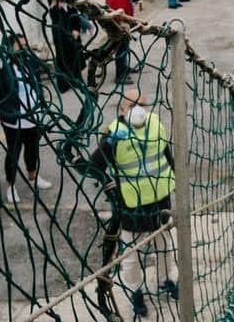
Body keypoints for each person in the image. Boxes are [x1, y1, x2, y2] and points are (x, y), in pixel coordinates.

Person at [89, 88, 178, 317]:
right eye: (133, 105)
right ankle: (136, 293)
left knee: (166, 248)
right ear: (122, 110)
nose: (139, 110)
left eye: (143, 105)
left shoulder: (155, 125)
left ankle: (166, 280)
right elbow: (94, 165)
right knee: (131, 257)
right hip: (132, 208)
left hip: (160, 204)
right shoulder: (114, 133)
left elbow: (167, 157)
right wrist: (108, 143)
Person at [0, 35, 53, 204]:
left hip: (32, 118)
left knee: (32, 148)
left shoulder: (29, 65)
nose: (24, 49)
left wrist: (40, 106)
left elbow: (38, 86)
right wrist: (10, 113)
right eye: (21, 46)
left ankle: (33, 176)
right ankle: (10, 186)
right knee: (13, 152)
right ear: (11, 48)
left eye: (26, 45)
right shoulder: (2, 72)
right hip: (14, 122)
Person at [105, 0, 136, 84]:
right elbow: (121, 11)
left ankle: (124, 68)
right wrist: (127, 24)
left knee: (124, 48)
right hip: (120, 25)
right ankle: (120, 75)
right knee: (121, 49)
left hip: (116, 23)